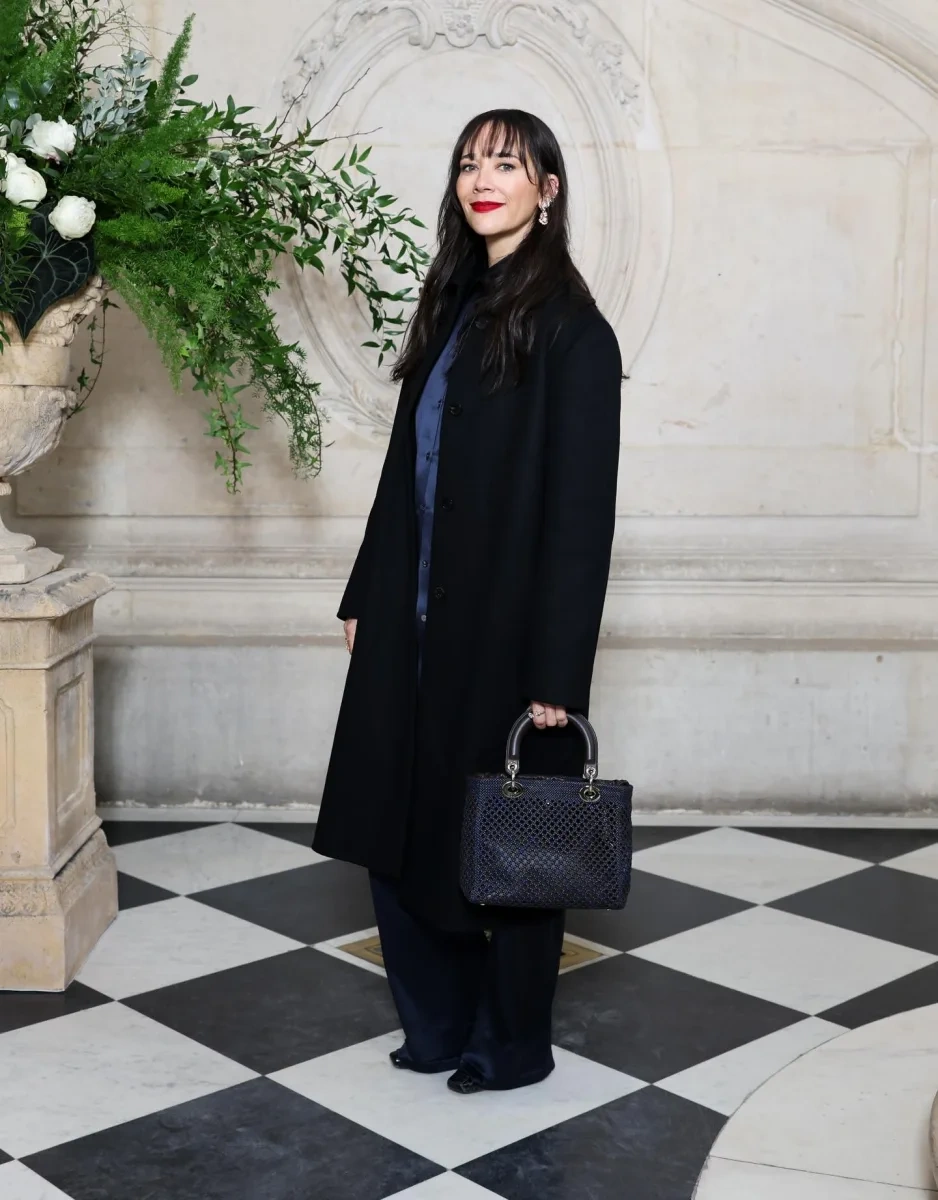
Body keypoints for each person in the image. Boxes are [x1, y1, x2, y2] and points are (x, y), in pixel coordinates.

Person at [313, 108, 622, 1094]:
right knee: (398, 817)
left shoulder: (573, 331)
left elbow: (581, 518)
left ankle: (510, 1043)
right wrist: (366, 590)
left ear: (548, 189)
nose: (483, 179)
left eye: (507, 164)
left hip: (501, 626)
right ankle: (436, 1024)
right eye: (468, 163)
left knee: (506, 835)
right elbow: (404, 466)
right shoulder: (452, 302)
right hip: (407, 612)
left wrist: (556, 675)